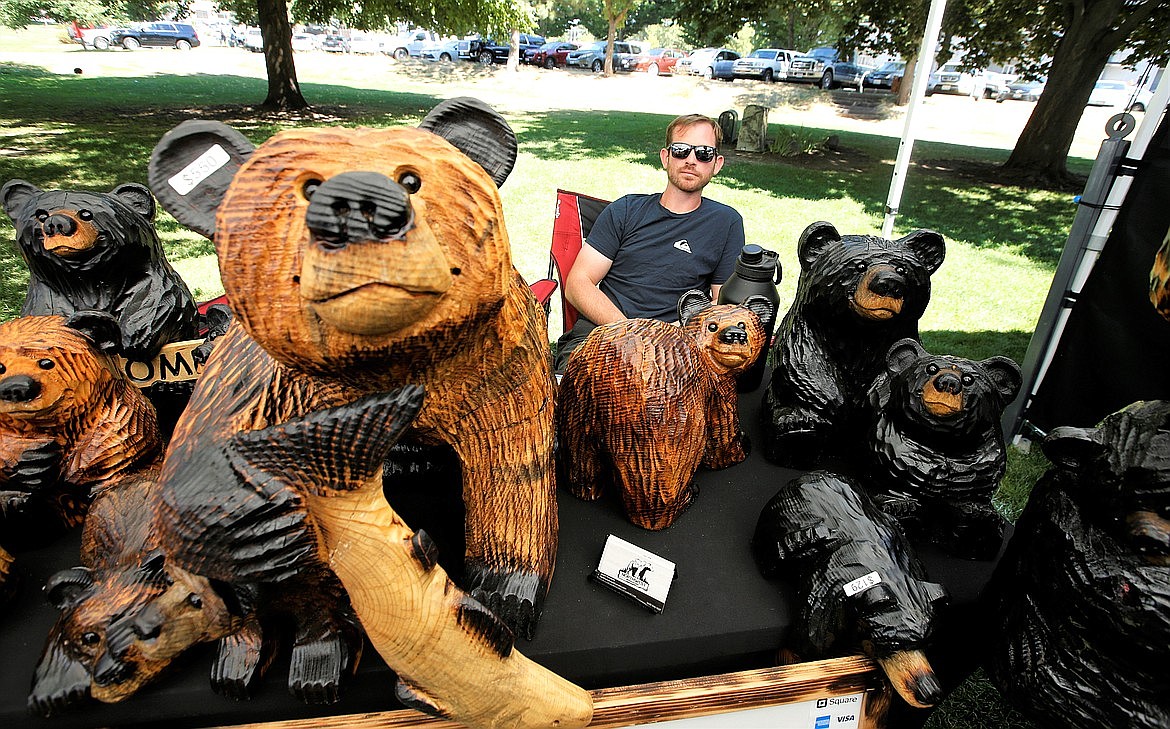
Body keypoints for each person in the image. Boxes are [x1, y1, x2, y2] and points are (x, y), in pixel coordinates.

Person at [553, 113, 745, 372]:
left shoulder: (726, 223)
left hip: (673, 349)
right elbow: (577, 284)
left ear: (717, 164)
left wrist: (667, 340)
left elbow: (722, 303)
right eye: (681, 150)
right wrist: (629, 335)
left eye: (703, 153)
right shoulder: (626, 210)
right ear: (666, 157)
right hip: (601, 333)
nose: (691, 160)